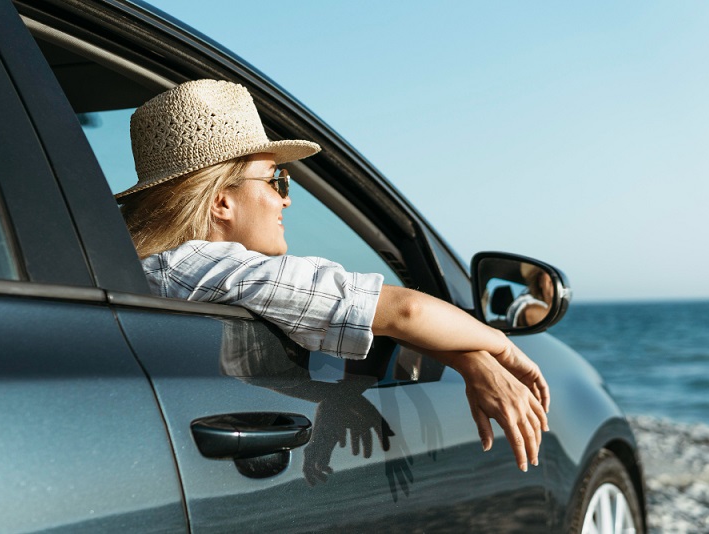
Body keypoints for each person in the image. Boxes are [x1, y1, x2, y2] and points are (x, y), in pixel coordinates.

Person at [116, 79, 550, 472]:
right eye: (275, 180)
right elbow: (403, 310)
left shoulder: (173, 273)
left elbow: (292, 338)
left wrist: (465, 356)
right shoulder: (209, 268)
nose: (285, 201)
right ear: (221, 203)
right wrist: (502, 350)